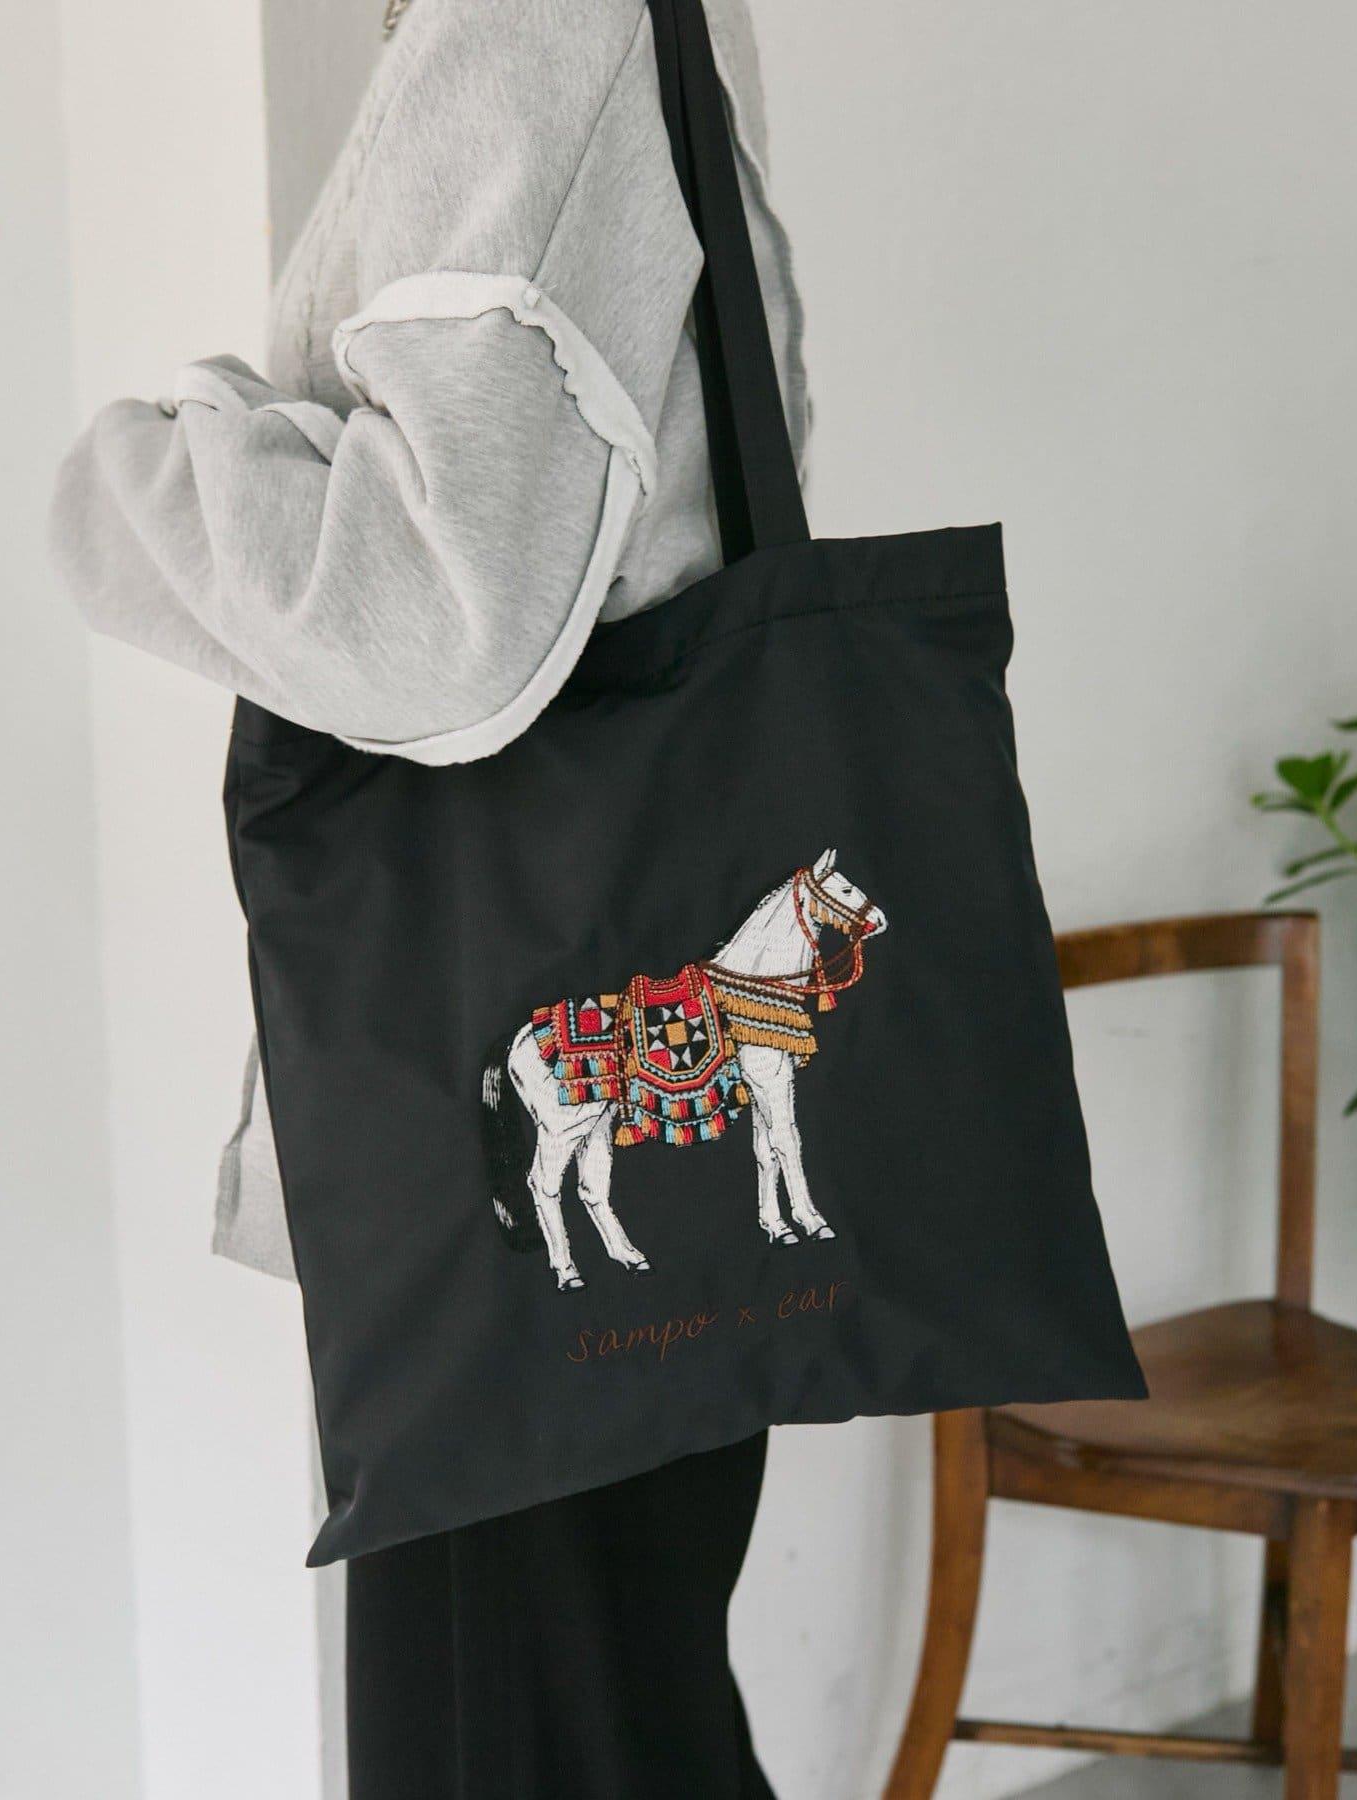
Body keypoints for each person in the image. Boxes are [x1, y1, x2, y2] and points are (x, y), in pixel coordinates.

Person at [51, 1, 806, 1793]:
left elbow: (435, 623)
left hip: (503, 1129)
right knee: (617, 1708)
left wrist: (141, 470)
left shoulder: (535, 21)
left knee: (520, 1727)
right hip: (649, 1084)